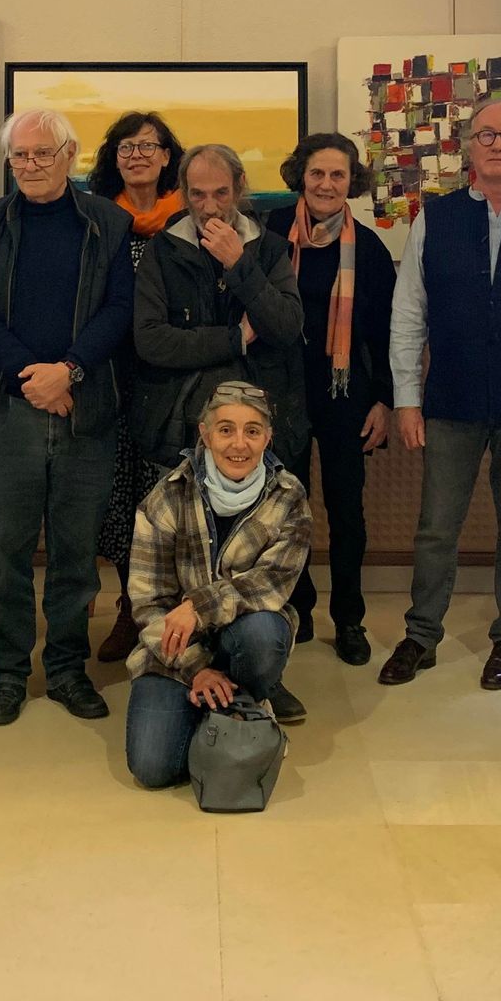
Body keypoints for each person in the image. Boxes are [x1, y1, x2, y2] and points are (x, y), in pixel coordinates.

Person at [381, 97, 501, 693]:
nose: (497, 145)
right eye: (486, 134)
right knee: (436, 528)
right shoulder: (435, 218)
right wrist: (407, 399)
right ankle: (421, 636)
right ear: (468, 146)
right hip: (452, 401)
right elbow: (408, 314)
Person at [0, 108, 134, 727]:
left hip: (87, 412)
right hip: (8, 410)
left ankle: (65, 669)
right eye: (19, 155)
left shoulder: (109, 222)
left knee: (75, 554)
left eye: (42, 153)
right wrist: (34, 378)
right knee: (6, 553)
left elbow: (120, 309)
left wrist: (71, 371)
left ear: (69, 156)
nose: (30, 165)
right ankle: (6, 673)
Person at [133, 141, 309, 721]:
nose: (209, 206)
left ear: (239, 190)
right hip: (179, 425)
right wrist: (233, 339)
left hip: (256, 431)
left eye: (221, 193)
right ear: (183, 194)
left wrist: (241, 265)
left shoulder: (268, 248)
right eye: (197, 194)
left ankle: (258, 673)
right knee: (182, 556)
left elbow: (286, 326)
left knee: (252, 556)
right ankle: (185, 664)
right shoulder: (162, 251)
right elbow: (151, 341)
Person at [124, 382, 311, 790]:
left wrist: (198, 607)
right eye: (226, 430)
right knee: (153, 769)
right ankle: (215, 706)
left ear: (268, 438)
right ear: (205, 435)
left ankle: (245, 697)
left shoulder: (289, 497)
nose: (239, 444)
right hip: (174, 653)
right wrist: (197, 669)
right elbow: (147, 602)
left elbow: (269, 586)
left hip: (244, 639)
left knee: (263, 631)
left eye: (252, 431)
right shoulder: (166, 496)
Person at [262, 132, 396, 667]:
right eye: (316, 172)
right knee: (284, 511)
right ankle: (296, 607)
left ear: (351, 181)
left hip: (345, 395)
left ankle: (349, 618)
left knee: (345, 511)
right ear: (300, 175)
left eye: (337, 174)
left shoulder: (370, 250)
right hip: (281, 393)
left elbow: (385, 335)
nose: (326, 184)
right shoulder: (270, 233)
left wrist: (384, 401)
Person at [91, 109, 187, 662]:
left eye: (148, 146)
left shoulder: (188, 220)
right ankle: (131, 608)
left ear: (167, 156)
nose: (137, 155)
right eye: (126, 147)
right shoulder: (98, 219)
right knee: (120, 503)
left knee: (167, 504)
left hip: (172, 386)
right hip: (110, 382)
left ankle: (174, 615)